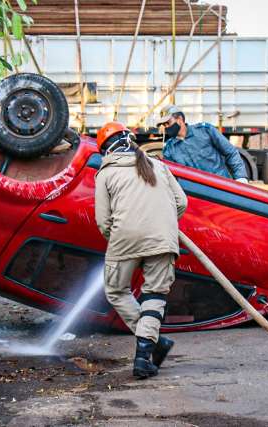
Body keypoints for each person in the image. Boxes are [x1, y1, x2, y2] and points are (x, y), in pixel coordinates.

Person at [94, 122, 187, 379]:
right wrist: (163, 224)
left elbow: (103, 220)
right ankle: (147, 350)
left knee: (116, 290)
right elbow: (181, 202)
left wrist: (120, 239)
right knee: (154, 293)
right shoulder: (158, 165)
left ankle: (149, 349)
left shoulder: (105, 173)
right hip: (163, 238)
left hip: (125, 238)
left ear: (105, 150)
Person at [157, 105, 248, 183]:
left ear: (180, 119)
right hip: (200, 197)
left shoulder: (205, 131)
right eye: (164, 125)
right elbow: (173, 178)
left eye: (168, 123)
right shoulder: (169, 149)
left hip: (223, 188)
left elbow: (231, 153)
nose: (167, 127)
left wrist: (241, 177)